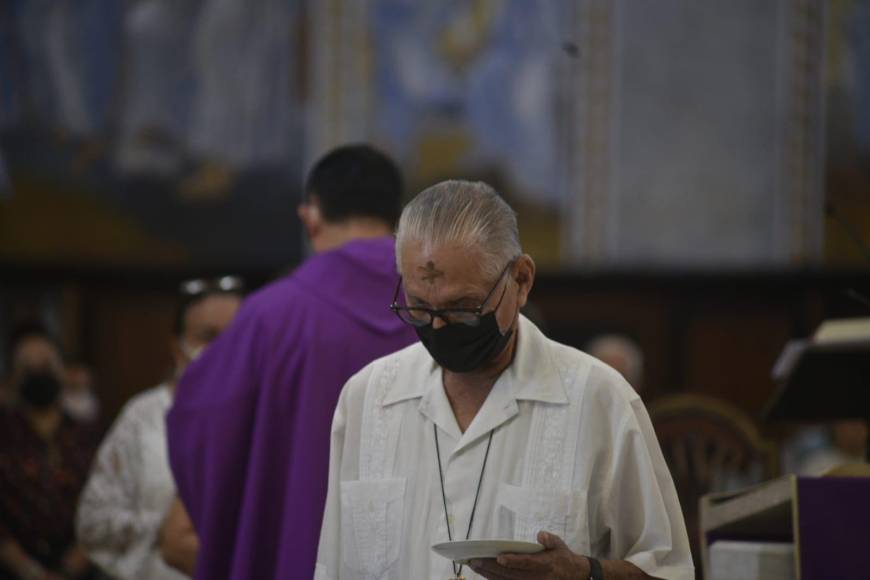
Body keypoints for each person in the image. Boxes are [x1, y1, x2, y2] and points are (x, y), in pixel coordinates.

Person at [315, 180, 694, 580]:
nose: (439, 326)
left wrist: (586, 574)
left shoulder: (599, 399)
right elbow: (333, 568)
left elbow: (670, 572)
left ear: (522, 280)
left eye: (462, 308)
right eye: (419, 307)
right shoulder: (368, 398)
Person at [166, 144, 418, 579]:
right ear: (399, 220)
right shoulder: (440, 308)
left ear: (311, 217)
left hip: (297, 554)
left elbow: (200, 422)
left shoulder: (270, 317)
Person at [76, 278, 244, 580]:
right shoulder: (143, 418)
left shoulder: (264, 418)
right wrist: (167, 527)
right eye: (208, 336)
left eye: (235, 336)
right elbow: (92, 523)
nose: (223, 349)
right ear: (178, 349)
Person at [0, 322, 99, 580]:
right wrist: (30, 572)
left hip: (79, 567)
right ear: (12, 377)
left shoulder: (87, 435)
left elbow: (104, 501)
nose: (38, 372)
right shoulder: (5, 434)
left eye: (45, 365)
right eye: (28, 367)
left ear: (63, 371)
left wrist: (72, 565)